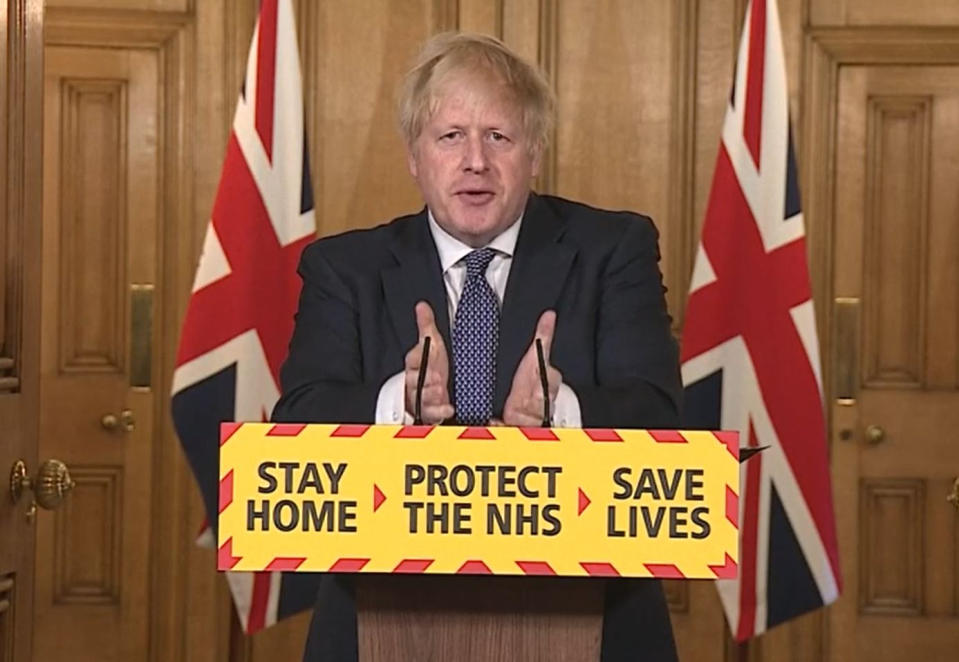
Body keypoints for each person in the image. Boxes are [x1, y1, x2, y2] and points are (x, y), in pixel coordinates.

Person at [273, 31, 682, 662]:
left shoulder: (614, 249)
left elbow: (660, 415)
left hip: (595, 616)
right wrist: (394, 404)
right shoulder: (344, 268)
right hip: (378, 620)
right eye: (450, 137)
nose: (475, 162)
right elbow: (295, 424)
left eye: (499, 136)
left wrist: (561, 414)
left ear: (535, 151)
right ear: (415, 155)